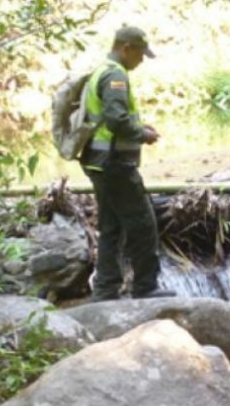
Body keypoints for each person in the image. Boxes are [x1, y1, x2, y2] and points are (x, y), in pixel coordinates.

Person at [79, 26, 175, 301]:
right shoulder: (115, 75)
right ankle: (145, 286)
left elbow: (110, 118)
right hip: (115, 165)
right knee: (143, 223)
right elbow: (116, 120)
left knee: (111, 227)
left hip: (99, 164)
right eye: (140, 54)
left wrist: (139, 124)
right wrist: (142, 134)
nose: (141, 60)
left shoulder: (101, 70)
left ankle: (105, 289)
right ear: (126, 48)